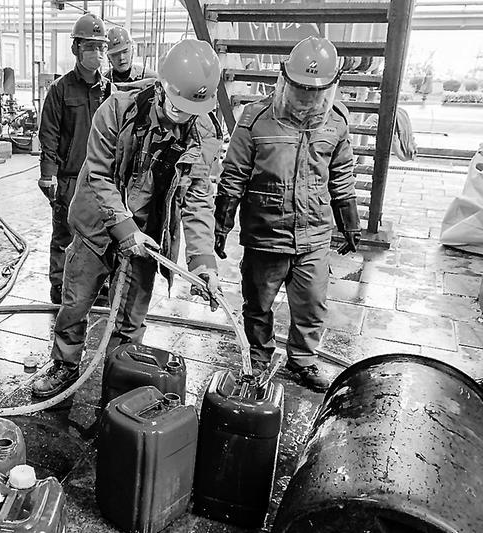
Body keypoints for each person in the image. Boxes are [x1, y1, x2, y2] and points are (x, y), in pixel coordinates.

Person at [32, 39, 224, 398]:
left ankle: (119, 379)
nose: (182, 116)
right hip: (97, 226)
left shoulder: (203, 133)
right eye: (178, 107)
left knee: (132, 320)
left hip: (148, 237)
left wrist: (203, 262)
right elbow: (99, 175)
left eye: (191, 110)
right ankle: (65, 364)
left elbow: (198, 199)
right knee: (75, 302)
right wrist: (124, 229)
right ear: (162, 87)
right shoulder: (118, 110)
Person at [213, 36, 361, 392]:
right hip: (265, 235)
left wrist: (349, 220)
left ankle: (303, 360)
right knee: (258, 304)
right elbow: (233, 174)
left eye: (316, 91)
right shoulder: (256, 119)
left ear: (330, 87)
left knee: (312, 304)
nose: (307, 98)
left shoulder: (336, 121)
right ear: (285, 79)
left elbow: (341, 174)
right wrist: (221, 223)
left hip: (314, 234)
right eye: (300, 89)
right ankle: (258, 359)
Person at [38, 13, 112, 305]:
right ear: (75, 49)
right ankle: (60, 288)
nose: (97, 53)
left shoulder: (109, 90)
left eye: (101, 47)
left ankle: (98, 286)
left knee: (101, 235)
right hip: (70, 178)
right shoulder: (60, 89)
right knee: (64, 236)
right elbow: (49, 134)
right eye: (90, 46)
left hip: (102, 177)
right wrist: (48, 175)